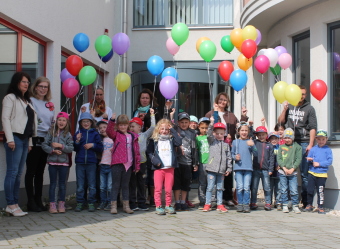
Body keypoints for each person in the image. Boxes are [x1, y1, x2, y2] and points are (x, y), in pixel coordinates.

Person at [2, 72, 37, 216]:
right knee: (12, 172)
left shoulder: (27, 101)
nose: (26, 84)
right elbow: (5, 118)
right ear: (16, 83)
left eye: (28, 82)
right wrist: (10, 139)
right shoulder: (10, 98)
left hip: (24, 140)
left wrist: (29, 142)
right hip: (14, 138)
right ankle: (10, 204)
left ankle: (15, 204)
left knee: (18, 174)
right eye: (24, 82)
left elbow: (29, 125)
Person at [205, 92, 248, 206]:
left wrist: (243, 116)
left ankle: (227, 197)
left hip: (227, 146)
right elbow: (207, 127)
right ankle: (211, 199)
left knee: (227, 172)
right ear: (217, 101)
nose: (222, 102)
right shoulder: (210, 113)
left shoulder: (231, 115)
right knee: (213, 172)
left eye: (225, 100)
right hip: (215, 146)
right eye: (221, 100)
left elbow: (239, 127)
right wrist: (214, 113)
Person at [278, 85, 317, 208]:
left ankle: (306, 202)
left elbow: (312, 128)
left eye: (303, 94)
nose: (301, 96)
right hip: (290, 143)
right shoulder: (289, 106)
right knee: (288, 171)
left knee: (304, 175)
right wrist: (284, 109)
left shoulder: (310, 109)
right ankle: (288, 201)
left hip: (304, 143)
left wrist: (311, 144)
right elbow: (280, 122)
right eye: (299, 94)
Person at [25, 76, 54, 212]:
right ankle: (30, 201)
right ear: (35, 87)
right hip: (34, 138)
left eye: (45, 87)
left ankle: (38, 199)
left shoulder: (49, 104)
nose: (43, 89)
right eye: (41, 86)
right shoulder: (31, 101)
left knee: (40, 172)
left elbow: (51, 121)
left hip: (45, 140)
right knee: (31, 171)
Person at [107, 113, 140, 214]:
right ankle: (113, 206)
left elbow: (137, 152)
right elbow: (109, 131)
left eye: (124, 125)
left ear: (128, 125)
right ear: (117, 126)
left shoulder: (133, 136)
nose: (122, 127)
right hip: (117, 163)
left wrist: (137, 165)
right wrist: (112, 121)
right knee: (115, 185)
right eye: (120, 125)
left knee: (126, 185)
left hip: (129, 164)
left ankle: (126, 206)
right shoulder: (116, 135)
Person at [147, 119, 182, 215]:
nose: (164, 131)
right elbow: (149, 152)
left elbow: (179, 142)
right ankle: (158, 206)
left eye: (166, 129)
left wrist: (173, 130)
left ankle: (168, 205)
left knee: (168, 189)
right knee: (158, 188)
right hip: (159, 168)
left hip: (169, 168)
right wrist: (155, 161)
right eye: (162, 128)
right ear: (158, 129)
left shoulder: (171, 139)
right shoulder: (154, 140)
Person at [41, 112, 73, 214]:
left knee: (62, 185)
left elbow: (71, 148)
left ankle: (61, 204)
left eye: (64, 120)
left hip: (64, 163)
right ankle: (52, 204)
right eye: (60, 120)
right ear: (56, 121)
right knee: (53, 184)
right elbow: (44, 145)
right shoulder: (51, 133)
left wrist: (60, 146)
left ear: (67, 122)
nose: (61, 122)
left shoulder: (68, 135)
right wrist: (52, 151)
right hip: (52, 162)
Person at [73, 112, 103, 212]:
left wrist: (92, 145)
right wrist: (77, 141)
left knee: (92, 185)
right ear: (80, 123)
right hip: (80, 162)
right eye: (84, 122)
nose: (86, 123)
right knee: (80, 185)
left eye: (88, 121)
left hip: (91, 162)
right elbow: (75, 148)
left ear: (91, 122)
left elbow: (100, 147)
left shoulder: (95, 133)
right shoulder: (78, 133)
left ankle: (91, 202)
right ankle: (80, 202)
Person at [202, 119, 232, 213]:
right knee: (210, 187)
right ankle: (207, 204)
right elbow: (208, 134)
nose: (219, 135)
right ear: (214, 133)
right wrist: (211, 123)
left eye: (221, 133)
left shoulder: (226, 145)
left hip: (221, 171)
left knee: (220, 188)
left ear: (224, 134)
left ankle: (219, 204)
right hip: (211, 169)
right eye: (217, 133)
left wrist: (229, 168)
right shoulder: (212, 142)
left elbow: (229, 157)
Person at [128, 109, 155, 211]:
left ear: (140, 127)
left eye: (133, 126)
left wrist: (152, 115)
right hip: (132, 163)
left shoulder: (144, 135)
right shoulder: (129, 136)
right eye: (130, 126)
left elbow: (153, 127)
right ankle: (132, 202)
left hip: (142, 163)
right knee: (132, 183)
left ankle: (141, 202)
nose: (131, 128)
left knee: (141, 183)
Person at [172, 112, 198, 211]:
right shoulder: (175, 130)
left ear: (189, 123)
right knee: (177, 184)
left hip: (188, 162)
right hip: (177, 162)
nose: (184, 124)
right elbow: (169, 123)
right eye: (182, 122)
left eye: (186, 122)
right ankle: (177, 202)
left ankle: (183, 202)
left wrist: (195, 163)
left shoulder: (192, 133)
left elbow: (194, 149)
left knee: (185, 184)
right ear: (178, 122)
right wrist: (169, 111)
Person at [304, 130, 333, 214]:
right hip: (312, 172)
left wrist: (319, 164)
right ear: (316, 139)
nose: (321, 141)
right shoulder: (313, 149)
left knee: (320, 191)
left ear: (326, 139)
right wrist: (309, 160)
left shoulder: (328, 150)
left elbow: (329, 161)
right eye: (319, 139)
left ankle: (320, 206)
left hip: (322, 174)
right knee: (310, 189)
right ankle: (309, 204)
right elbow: (308, 159)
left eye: (323, 139)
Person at [231, 122, 257, 213]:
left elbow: (256, 154)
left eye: (246, 130)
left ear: (248, 132)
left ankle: (246, 204)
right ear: (238, 131)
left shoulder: (250, 142)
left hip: (248, 168)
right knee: (240, 187)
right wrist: (235, 157)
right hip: (238, 168)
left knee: (246, 187)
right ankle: (240, 204)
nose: (244, 132)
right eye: (242, 130)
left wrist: (252, 145)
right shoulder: (235, 142)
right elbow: (231, 154)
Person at [277, 128, 302, 214]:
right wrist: (284, 168)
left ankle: (295, 205)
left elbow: (298, 159)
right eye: (286, 137)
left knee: (294, 189)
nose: (287, 139)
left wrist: (292, 169)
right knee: (283, 189)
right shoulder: (281, 147)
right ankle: (285, 205)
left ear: (293, 138)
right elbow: (279, 159)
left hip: (292, 172)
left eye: (289, 137)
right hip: (283, 172)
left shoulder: (297, 147)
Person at [250, 126, 274, 211]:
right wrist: (251, 126)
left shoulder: (269, 145)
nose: (261, 136)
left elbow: (271, 158)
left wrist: (271, 169)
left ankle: (268, 203)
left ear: (266, 135)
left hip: (265, 170)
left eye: (263, 134)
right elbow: (251, 134)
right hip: (255, 169)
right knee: (254, 187)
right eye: (259, 135)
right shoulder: (255, 142)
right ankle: (253, 202)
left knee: (267, 187)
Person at [96, 119, 113, 211]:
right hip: (102, 166)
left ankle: (110, 202)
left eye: (104, 127)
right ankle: (103, 202)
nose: (102, 129)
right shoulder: (100, 140)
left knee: (110, 186)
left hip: (111, 166)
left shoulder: (113, 138)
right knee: (102, 186)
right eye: (100, 128)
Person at [196, 117, 212, 209]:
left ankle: (210, 201)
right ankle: (202, 201)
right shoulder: (197, 139)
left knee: (211, 183)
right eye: (202, 128)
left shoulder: (210, 137)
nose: (205, 130)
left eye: (206, 128)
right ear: (199, 127)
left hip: (211, 163)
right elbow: (196, 151)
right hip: (202, 163)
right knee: (202, 183)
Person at [268, 132, 281, 210]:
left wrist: (280, 166)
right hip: (270, 171)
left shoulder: (280, 148)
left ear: (278, 139)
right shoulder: (268, 147)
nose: (274, 140)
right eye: (272, 138)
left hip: (278, 171)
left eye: (275, 138)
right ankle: (268, 202)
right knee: (269, 188)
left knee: (278, 188)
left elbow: (283, 158)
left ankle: (278, 202)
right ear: (269, 140)